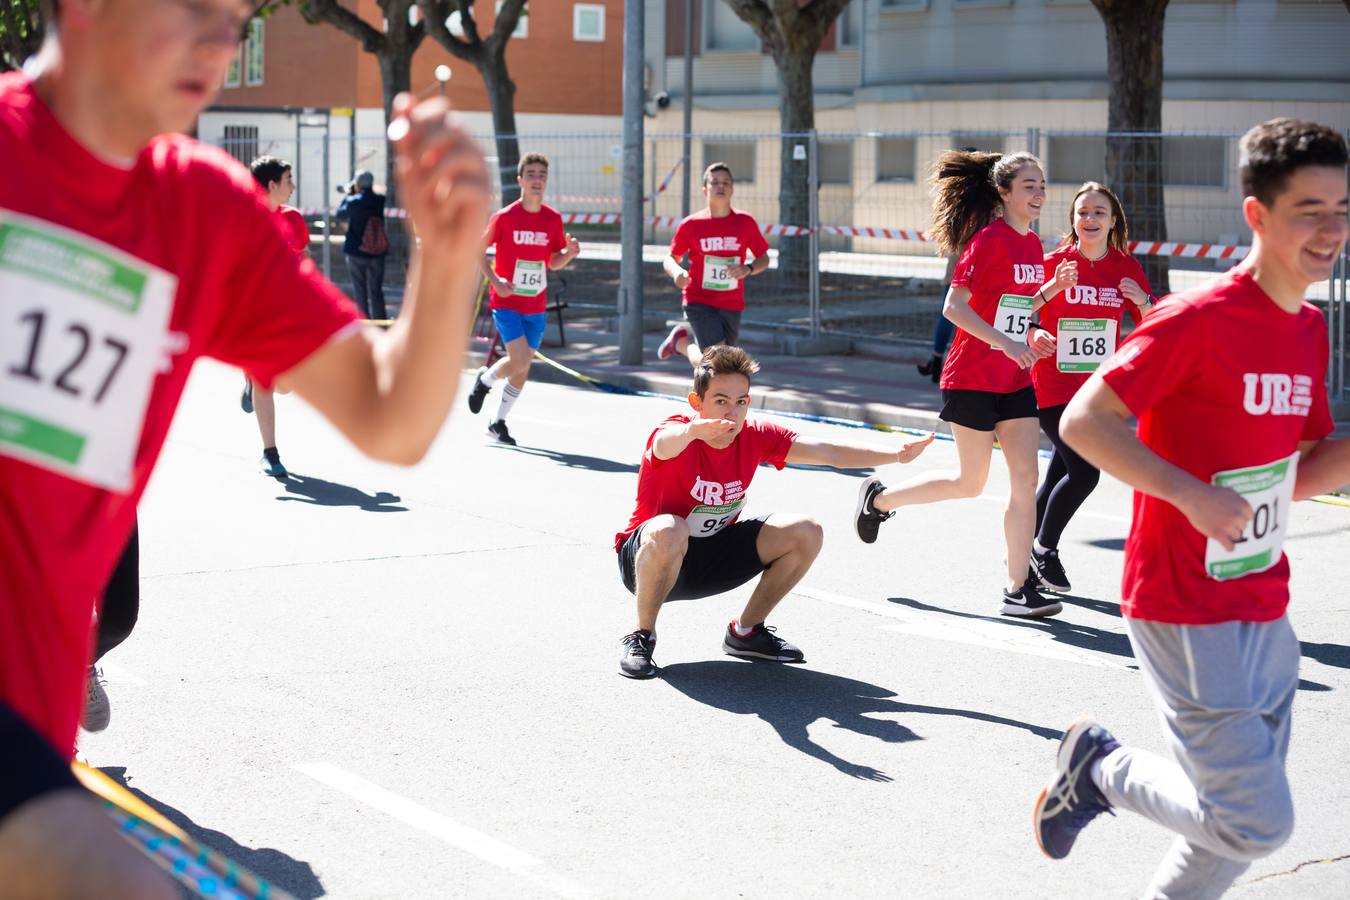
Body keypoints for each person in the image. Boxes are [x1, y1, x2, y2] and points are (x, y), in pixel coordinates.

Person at [0, 0, 490, 894]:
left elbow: (392, 417)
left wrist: (450, 259)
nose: (222, 44)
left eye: (235, 19)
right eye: (194, 9)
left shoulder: (204, 210)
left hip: (33, 722)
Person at [1033, 118, 1350, 900]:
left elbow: (1300, 474)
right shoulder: (1194, 320)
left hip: (1263, 601)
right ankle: (1101, 768)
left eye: (1342, 208)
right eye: (1309, 209)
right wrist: (1186, 490)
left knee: (1228, 830)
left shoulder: (1308, 330)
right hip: (1182, 603)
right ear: (1258, 216)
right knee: (1256, 822)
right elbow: (1084, 422)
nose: (1331, 229)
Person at [615, 345, 934, 678]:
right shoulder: (677, 430)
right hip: (650, 559)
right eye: (720, 401)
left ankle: (746, 633)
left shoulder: (754, 435)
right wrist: (693, 430)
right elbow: (662, 444)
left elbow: (827, 451)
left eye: (740, 403)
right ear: (697, 403)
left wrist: (895, 453)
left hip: (711, 556)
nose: (731, 414)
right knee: (670, 528)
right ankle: (641, 636)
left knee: (805, 530)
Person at [853, 150, 1061, 618]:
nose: (1039, 194)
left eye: (1042, 185)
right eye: (1029, 186)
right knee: (970, 483)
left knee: (1026, 479)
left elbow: (1016, 309)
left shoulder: (1033, 247)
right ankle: (880, 499)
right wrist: (1007, 343)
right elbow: (955, 308)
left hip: (1016, 377)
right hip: (971, 376)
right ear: (1003, 193)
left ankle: (1016, 586)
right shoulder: (987, 240)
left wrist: (1032, 334)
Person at [1028, 182, 1155, 593]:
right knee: (1085, 473)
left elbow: (1158, 326)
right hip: (1052, 384)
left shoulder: (1126, 267)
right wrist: (1035, 331)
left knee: (1059, 475)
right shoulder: (1054, 263)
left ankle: (1021, 552)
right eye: (1082, 213)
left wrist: (1145, 301)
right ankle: (1043, 550)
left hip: (1097, 392)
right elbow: (1018, 311)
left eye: (1099, 212)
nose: (1090, 220)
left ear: (1113, 219)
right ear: (1073, 220)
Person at [465, 152, 580, 446]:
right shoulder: (504, 217)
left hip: (536, 305)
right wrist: (497, 281)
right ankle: (486, 381)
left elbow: (552, 261)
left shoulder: (552, 219)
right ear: (520, 180)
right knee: (519, 358)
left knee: (523, 366)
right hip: (507, 302)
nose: (537, 179)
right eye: (531, 174)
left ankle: (498, 421)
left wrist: (568, 254)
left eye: (542, 174)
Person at [657, 163, 770, 367]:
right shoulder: (691, 225)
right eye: (715, 182)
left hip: (731, 302)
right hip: (699, 299)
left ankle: (681, 344)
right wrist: (677, 273)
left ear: (732, 189)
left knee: (718, 366)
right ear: (705, 189)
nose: (720, 187)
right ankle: (683, 346)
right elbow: (670, 258)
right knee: (719, 363)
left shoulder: (745, 222)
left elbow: (764, 258)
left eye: (726, 183)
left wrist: (749, 269)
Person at [241, 155, 310, 478]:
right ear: (272, 185)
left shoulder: (294, 219)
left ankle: (249, 379)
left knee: (286, 385)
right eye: (288, 180)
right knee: (265, 381)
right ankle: (270, 452)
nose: (293, 187)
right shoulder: (241, 218)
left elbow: (305, 261)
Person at [335, 168, 389, 321]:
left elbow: (340, 214)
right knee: (376, 290)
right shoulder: (380, 200)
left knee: (360, 289)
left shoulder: (354, 201)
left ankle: (365, 324)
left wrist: (348, 194)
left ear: (357, 184)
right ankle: (381, 323)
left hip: (356, 252)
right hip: (378, 252)